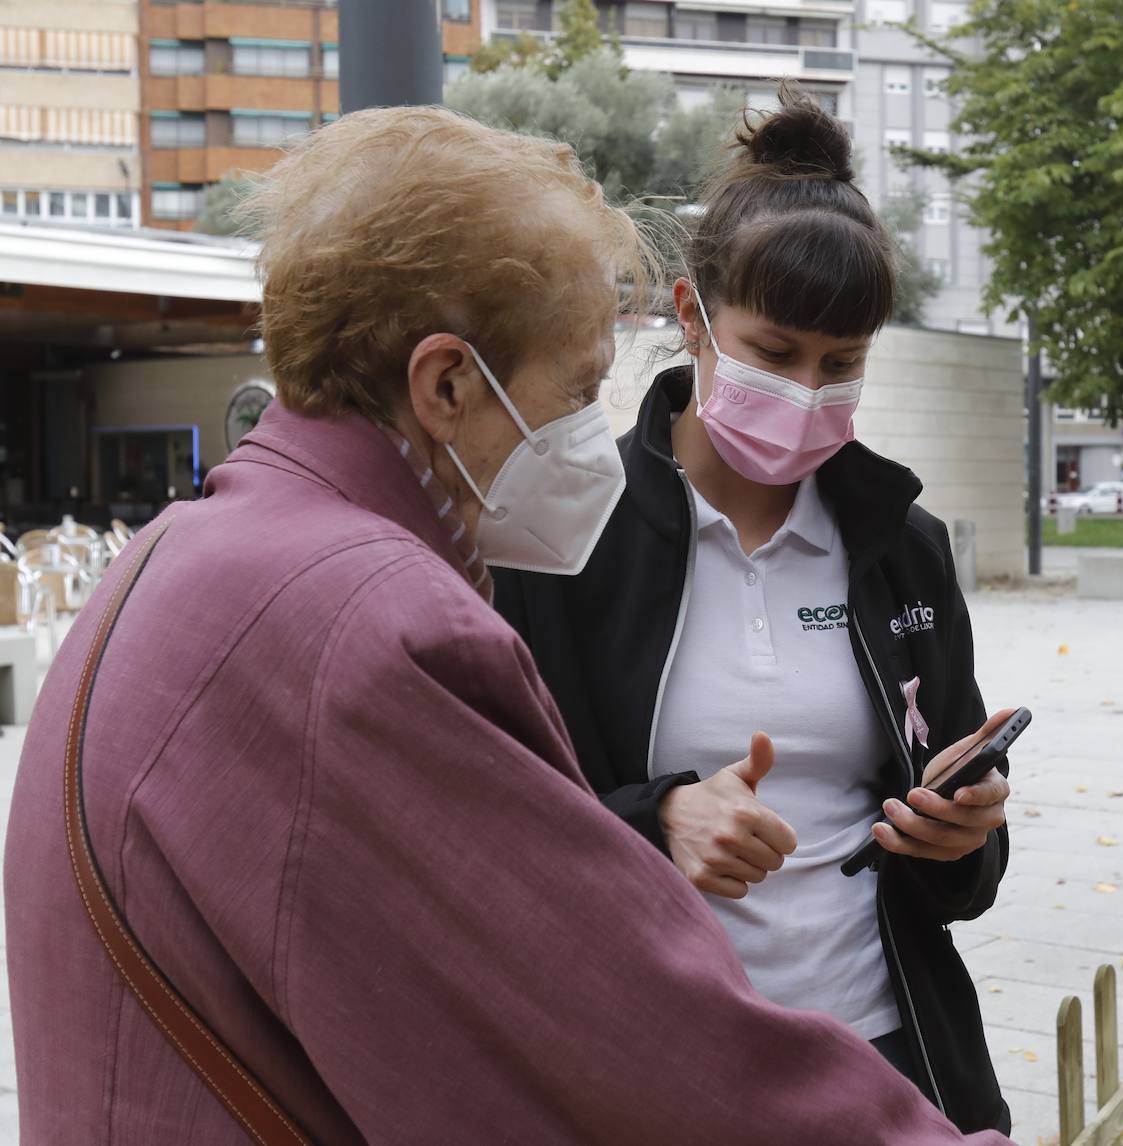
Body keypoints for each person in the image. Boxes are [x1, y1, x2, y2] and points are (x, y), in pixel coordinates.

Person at [3, 108, 1012, 1145]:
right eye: (577, 389)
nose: (589, 434)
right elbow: (608, 1016)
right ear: (446, 384)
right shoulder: (383, 623)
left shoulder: (189, 547)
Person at [495, 86, 1014, 1135]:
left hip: (884, 1057)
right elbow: (490, 834)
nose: (810, 392)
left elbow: (962, 882)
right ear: (690, 316)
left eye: (844, 364)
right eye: (775, 355)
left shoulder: (899, 549)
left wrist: (965, 838)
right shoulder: (561, 539)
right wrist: (656, 819)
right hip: (655, 1075)